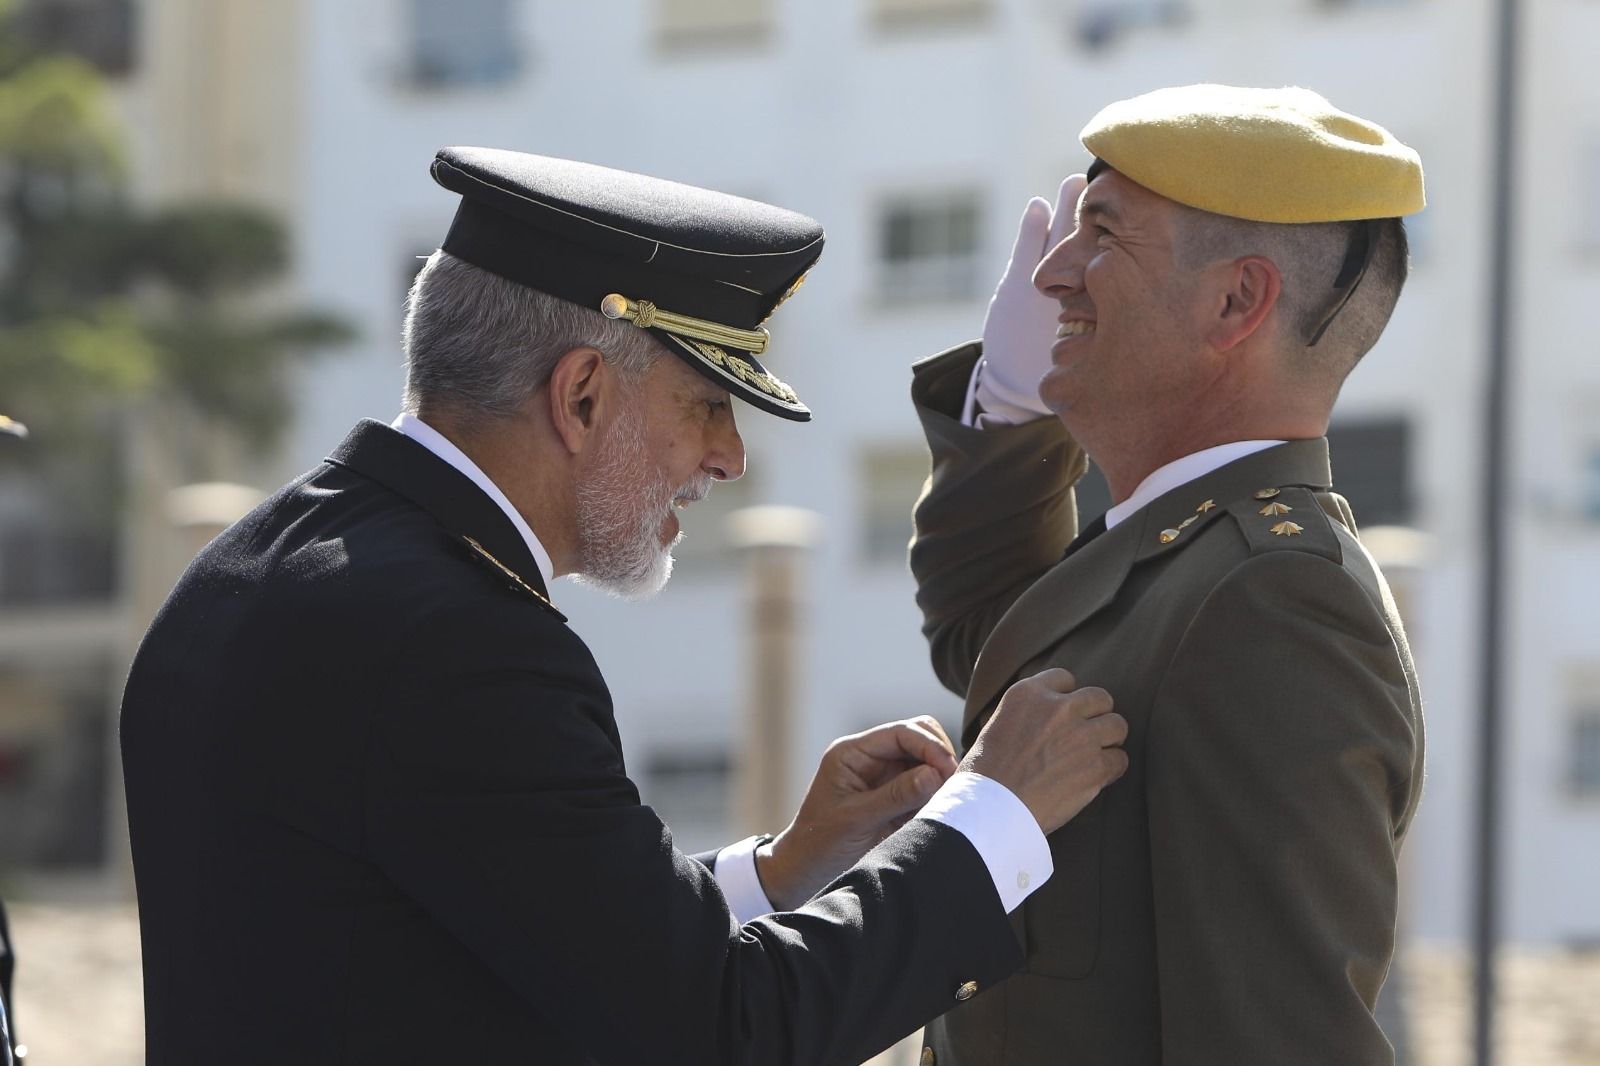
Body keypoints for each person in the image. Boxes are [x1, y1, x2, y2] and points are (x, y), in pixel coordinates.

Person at [119, 148, 1132, 1065]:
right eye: (707, 404)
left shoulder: (254, 563)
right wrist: (988, 816)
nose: (729, 458)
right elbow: (721, 1028)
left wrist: (782, 868)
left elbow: (494, 933)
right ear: (582, 396)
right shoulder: (464, 646)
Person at [908, 85, 1427, 1064]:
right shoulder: (1176, 556)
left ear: (1235, 301)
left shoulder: (1274, 600)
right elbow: (992, 640)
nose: (1053, 273)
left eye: (1102, 234)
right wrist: (1009, 407)